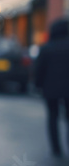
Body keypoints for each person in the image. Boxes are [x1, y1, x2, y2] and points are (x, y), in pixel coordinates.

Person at [35, 18, 69, 157]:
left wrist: (38, 85)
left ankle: (56, 149)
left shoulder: (46, 48)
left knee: (52, 117)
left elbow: (39, 69)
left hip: (50, 89)